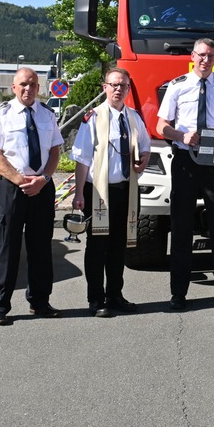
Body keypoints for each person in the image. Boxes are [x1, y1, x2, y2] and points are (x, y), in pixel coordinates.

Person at [156, 38, 214, 310]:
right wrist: (182, 135)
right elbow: (161, 127)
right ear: (192, 56)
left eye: (212, 56)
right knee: (181, 229)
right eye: (202, 55)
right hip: (185, 161)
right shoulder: (177, 86)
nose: (206, 60)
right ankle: (178, 294)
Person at [0, 67, 63, 325]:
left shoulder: (48, 115)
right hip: (12, 187)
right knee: (8, 246)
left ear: (39, 88)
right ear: (14, 88)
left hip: (42, 186)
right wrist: (19, 180)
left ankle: (39, 301)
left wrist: (43, 179)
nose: (28, 89)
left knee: (41, 246)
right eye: (23, 85)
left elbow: (54, 152)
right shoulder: (2, 114)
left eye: (33, 85)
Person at [70, 68, 151, 318]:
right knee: (97, 247)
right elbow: (82, 158)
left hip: (126, 190)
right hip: (98, 192)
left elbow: (145, 147)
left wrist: (143, 161)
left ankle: (115, 295)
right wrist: (78, 194)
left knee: (118, 247)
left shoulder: (134, 117)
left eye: (124, 86)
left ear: (128, 89)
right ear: (104, 87)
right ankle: (96, 299)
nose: (119, 89)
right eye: (114, 85)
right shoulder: (93, 117)